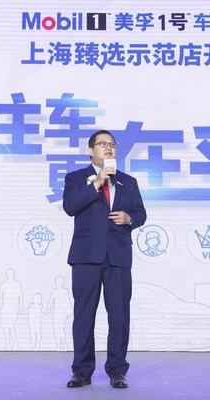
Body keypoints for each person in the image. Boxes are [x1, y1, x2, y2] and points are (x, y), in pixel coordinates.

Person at [62, 129, 147, 389]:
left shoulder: (128, 182)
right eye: (102, 144)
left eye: (112, 144)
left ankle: (117, 370)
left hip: (118, 256)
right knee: (83, 315)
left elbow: (141, 213)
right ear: (90, 151)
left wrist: (130, 219)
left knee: (119, 316)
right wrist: (97, 182)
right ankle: (82, 371)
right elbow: (70, 207)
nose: (109, 148)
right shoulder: (76, 178)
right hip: (86, 255)